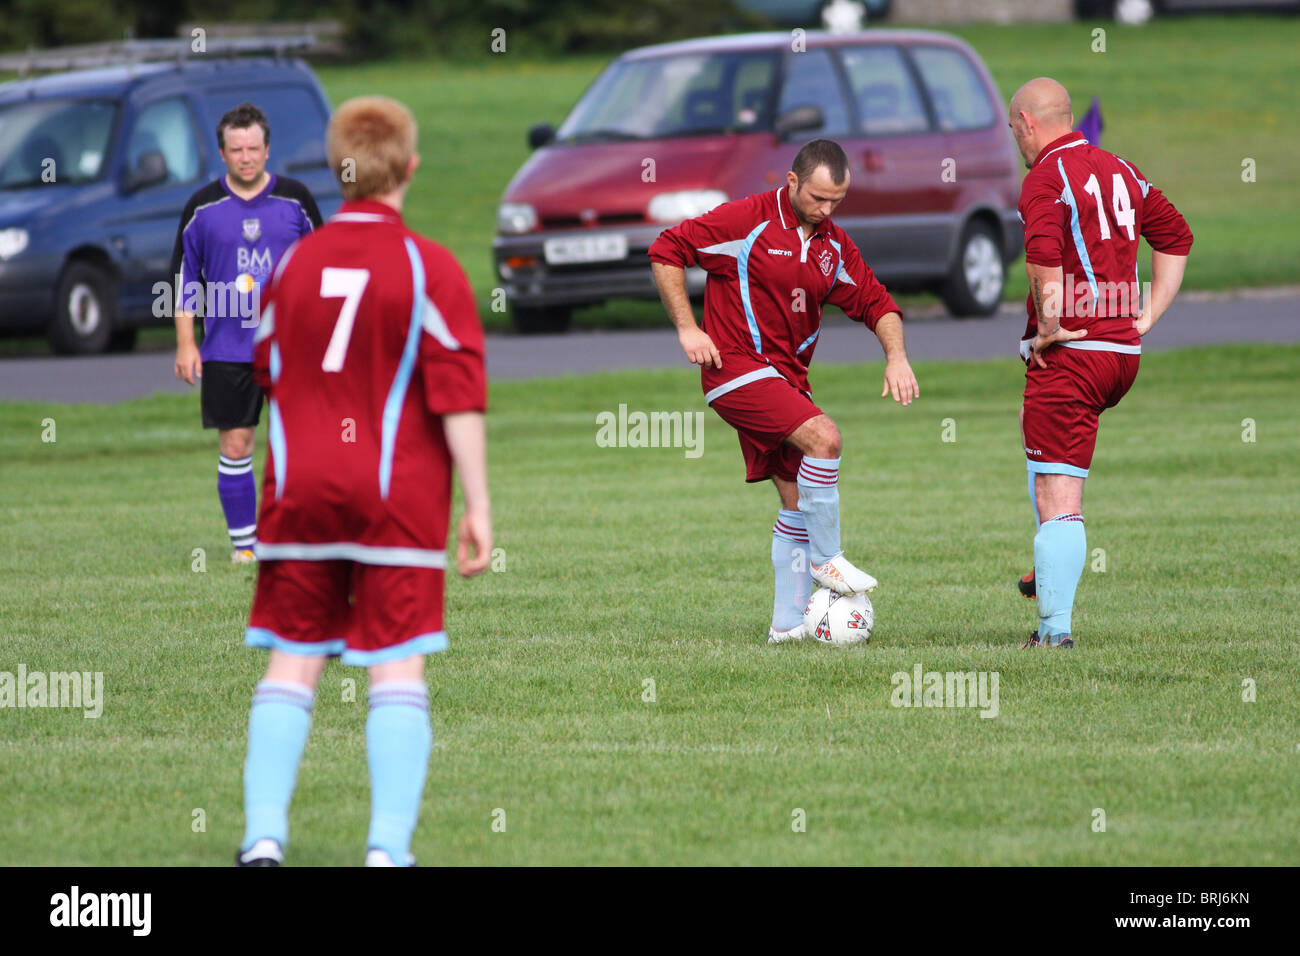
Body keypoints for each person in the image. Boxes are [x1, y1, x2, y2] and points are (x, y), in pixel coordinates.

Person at [234, 96, 492, 867]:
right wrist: (478, 505)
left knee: (292, 660)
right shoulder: (429, 266)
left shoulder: (293, 264)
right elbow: (459, 399)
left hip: (301, 495)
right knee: (397, 666)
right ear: (410, 168)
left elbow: (267, 370)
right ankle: (385, 851)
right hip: (396, 501)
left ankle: (262, 839)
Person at [649, 139, 918, 644]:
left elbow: (878, 303)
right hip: (734, 371)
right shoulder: (744, 220)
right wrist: (688, 328)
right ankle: (828, 559)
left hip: (785, 381)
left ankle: (787, 626)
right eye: (818, 198)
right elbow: (667, 249)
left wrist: (896, 357)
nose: (826, 210)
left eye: (837, 201)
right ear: (792, 182)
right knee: (825, 439)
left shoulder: (831, 245)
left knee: (796, 500)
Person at [1008, 77, 1192, 649]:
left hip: (1075, 354)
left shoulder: (1044, 177)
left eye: (1015, 128)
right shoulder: (1122, 169)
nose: (1016, 138)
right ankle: (1049, 570)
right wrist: (1148, 315)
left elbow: (1042, 256)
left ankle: (1054, 634)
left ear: (1028, 124)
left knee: (1060, 497)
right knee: (1045, 470)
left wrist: (1048, 326)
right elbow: (1177, 236)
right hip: (1120, 354)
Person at [170, 102, 323, 563]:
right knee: (236, 443)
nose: (246, 156)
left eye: (253, 147)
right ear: (222, 152)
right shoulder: (201, 207)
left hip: (290, 348)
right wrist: (185, 342)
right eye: (236, 149)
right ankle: (246, 549)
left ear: (267, 149)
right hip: (227, 349)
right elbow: (183, 279)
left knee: (300, 443)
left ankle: (299, 539)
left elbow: (324, 268)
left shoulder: (296, 200)